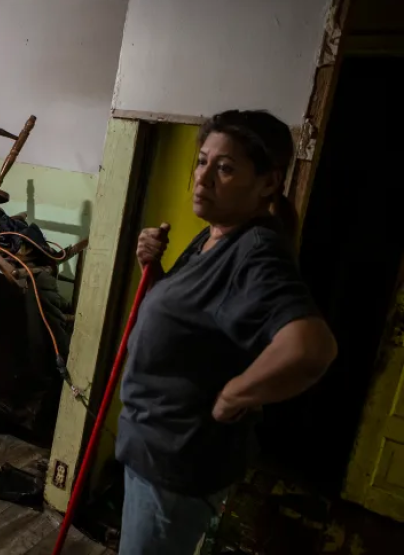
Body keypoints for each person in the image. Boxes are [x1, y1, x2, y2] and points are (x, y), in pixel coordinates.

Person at [116, 110, 337, 555]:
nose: (202, 179)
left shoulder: (257, 251)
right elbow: (191, 321)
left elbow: (311, 347)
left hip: (178, 465)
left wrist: (235, 394)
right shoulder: (215, 235)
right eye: (202, 161)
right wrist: (153, 267)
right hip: (156, 451)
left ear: (269, 182)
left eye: (226, 168)